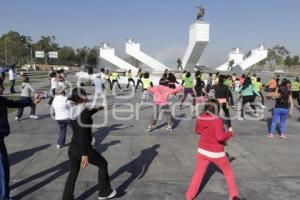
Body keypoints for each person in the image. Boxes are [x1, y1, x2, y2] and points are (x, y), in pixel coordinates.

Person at [62, 88, 116, 200]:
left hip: (72, 148)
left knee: (73, 173)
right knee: (103, 165)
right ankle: (104, 192)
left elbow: (87, 113)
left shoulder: (73, 110)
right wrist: (84, 154)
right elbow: (83, 134)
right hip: (83, 148)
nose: (87, 95)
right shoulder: (84, 112)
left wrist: (98, 108)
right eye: (85, 94)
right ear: (82, 97)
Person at [186, 99, 242, 200]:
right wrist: (230, 133)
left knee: (198, 174)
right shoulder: (217, 120)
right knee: (228, 172)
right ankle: (233, 195)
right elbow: (220, 137)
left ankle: (189, 196)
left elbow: (198, 131)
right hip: (216, 152)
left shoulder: (200, 117)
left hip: (202, 151)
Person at [0, 78, 31, 200]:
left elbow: (15, 103)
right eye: (1, 86)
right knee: (3, 169)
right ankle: (3, 197)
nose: (3, 88)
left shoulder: (1, 100)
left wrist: (30, 101)